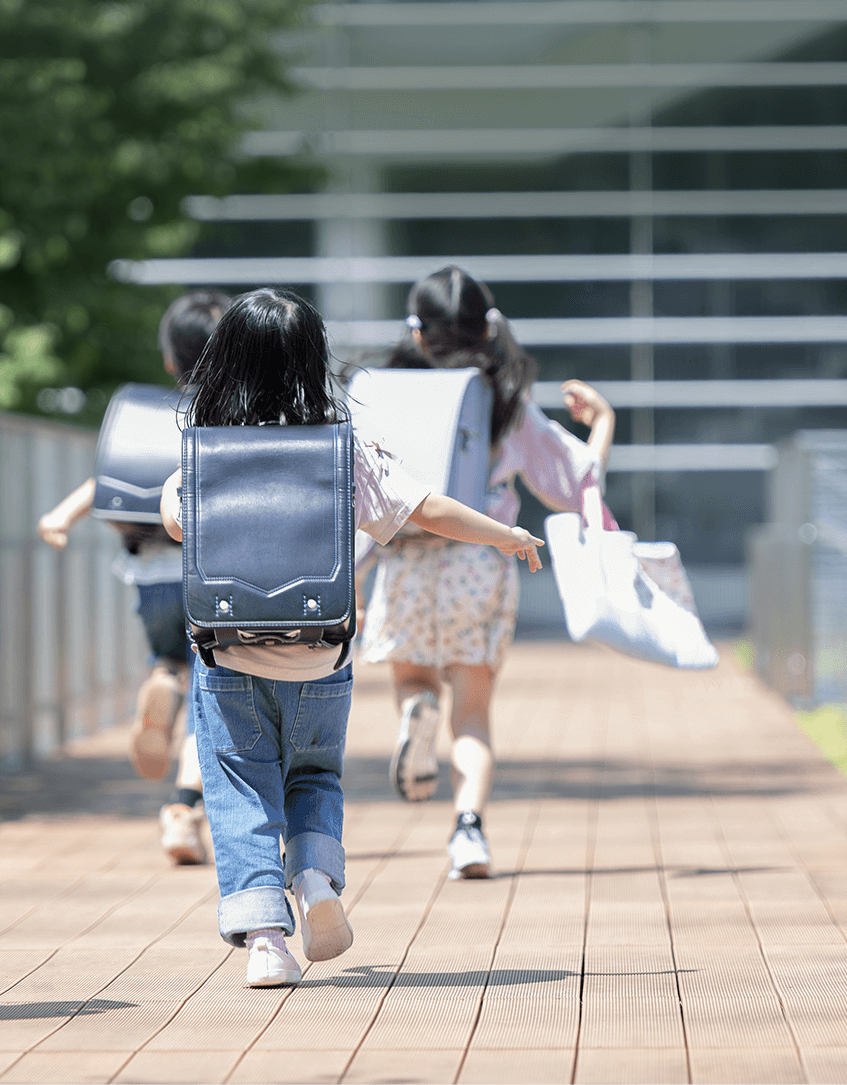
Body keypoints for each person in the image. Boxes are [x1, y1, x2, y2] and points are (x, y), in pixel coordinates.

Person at [156, 288, 543, 988]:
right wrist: (504, 534)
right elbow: (425, 506)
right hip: (320, 650)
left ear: (223, 361)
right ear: (313, 360)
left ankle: (265, 939)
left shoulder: (206, 451)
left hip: (229, 649)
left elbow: (177, 523)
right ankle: (313, 877)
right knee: (312, 775)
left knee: (241, 783)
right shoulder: (345, 450)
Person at [364, 266, 615, 880]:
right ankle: (468, 832)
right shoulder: (505, 403)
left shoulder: (383, 397)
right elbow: (576, 482)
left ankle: (416, 711)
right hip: (480, 561)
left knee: (414, 680)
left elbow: (364, 494)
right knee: (473, 715)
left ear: (417, 333)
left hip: (406, 559)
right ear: (487, 329)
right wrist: (603, 422)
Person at [37, 289, 228, 865]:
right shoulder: (232, 421)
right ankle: (183, 810)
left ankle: (163, 684)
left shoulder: (150, 419)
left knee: (173, 663)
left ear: (170, 359)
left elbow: (108, 479)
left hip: (150, 576)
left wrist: (60, 517)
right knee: (215, 698)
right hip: (213, 575)